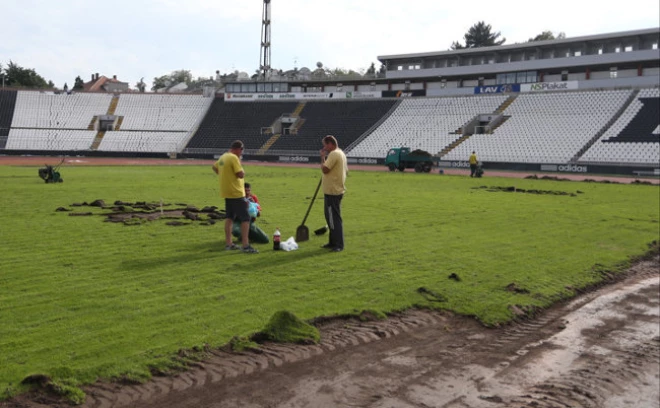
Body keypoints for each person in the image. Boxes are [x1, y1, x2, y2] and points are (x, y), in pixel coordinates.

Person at [212, 140, 258, 254]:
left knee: (229, 217)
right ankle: (245, 245)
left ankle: (229, 243)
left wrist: (224, 175)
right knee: (245, 218)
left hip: (226, 192)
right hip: (236, 192)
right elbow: (240, 174)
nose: (241, 153)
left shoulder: (223, 157)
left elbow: (214, 167)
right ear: (238, 149)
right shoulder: (233, 158)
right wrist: (242, 169)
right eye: (241, 150)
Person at [320, 135, 348, 252]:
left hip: (332, 192)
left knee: (333, 218)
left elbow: (325, 169)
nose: (324, 147)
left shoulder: (334, 154)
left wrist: (322, 158)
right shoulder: (341, 153)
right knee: (331, 217)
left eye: (325, 144)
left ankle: (338, 244)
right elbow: (346, 170)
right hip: (335, 190)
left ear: (331, 143)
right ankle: (332, 242)